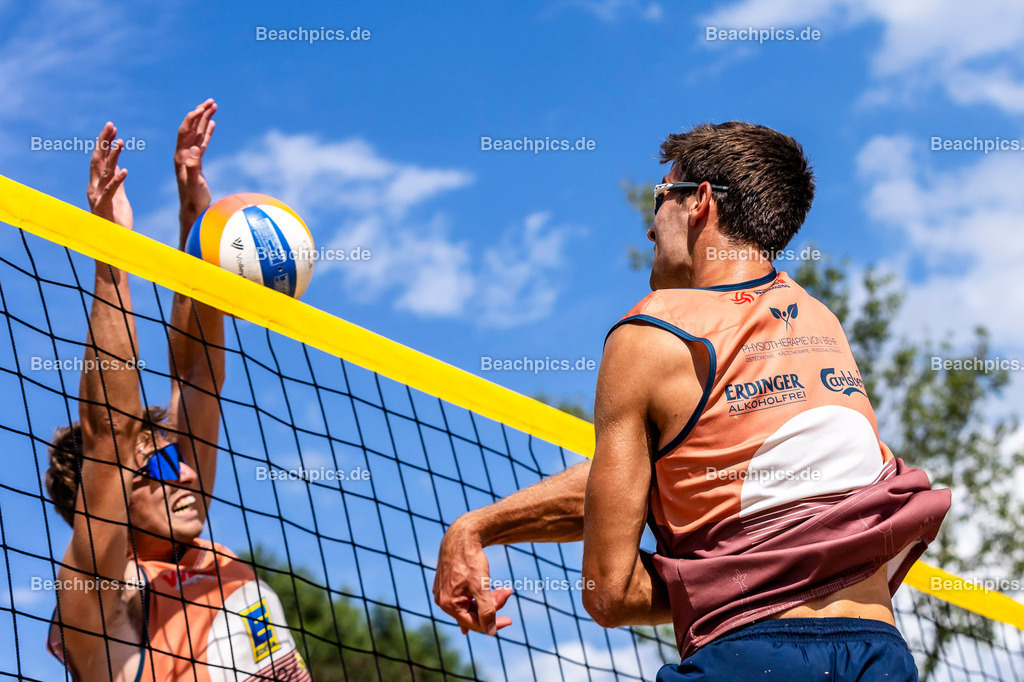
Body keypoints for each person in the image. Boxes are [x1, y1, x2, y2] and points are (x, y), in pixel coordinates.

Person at [434, 122, 950, 680]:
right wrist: (479, 526)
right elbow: (674, 474)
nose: (651, 227)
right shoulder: (821, 322)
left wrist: (722, 579)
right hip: (882, 652)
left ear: (700, 201)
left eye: (660, 198)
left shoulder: (651, 334)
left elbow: (609, 594)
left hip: (752, 654)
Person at [44, 101, 310, 682]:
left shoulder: (206, 558)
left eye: (173, 460)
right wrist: (113, 252)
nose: (185, 473)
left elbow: (196, 375)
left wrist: (200, 224)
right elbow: (110, 434)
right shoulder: (103, 604)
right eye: (153, 473)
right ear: (107, 504)